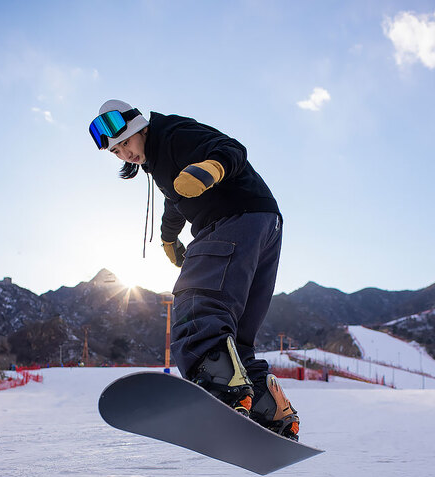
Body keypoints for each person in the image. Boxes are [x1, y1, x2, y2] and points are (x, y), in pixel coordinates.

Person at [89, 100, 300, 438]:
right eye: (116, 151)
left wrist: (210, 169)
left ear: (141, 127)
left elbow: (229, 148)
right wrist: (169, 239)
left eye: (126, 142)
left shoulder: (171, 133)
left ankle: (219, 385)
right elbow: (176, 201)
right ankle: (269, 410)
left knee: (195, 305)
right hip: (263, 223)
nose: (124, 154)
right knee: (235, 336)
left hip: (231, 219)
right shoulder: (158, 163)